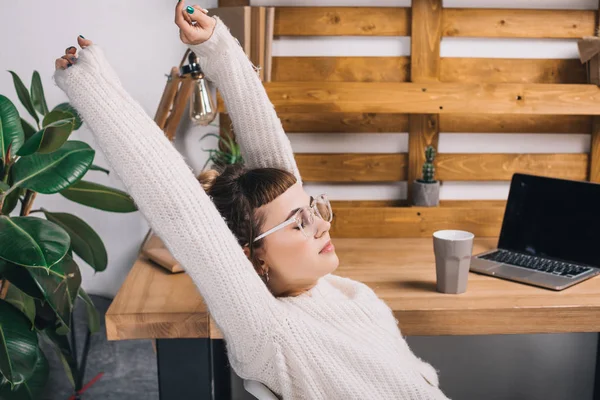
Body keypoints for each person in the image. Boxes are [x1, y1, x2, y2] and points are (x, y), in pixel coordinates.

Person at [53, 3, 450, 399]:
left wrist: (218, 49)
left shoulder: (329, 288)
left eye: (313, 210)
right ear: (251, 257)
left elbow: (278, 169)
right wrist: (97, 94)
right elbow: (180, 209)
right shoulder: (272, 334)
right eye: (299, 224)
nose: (323, 224)